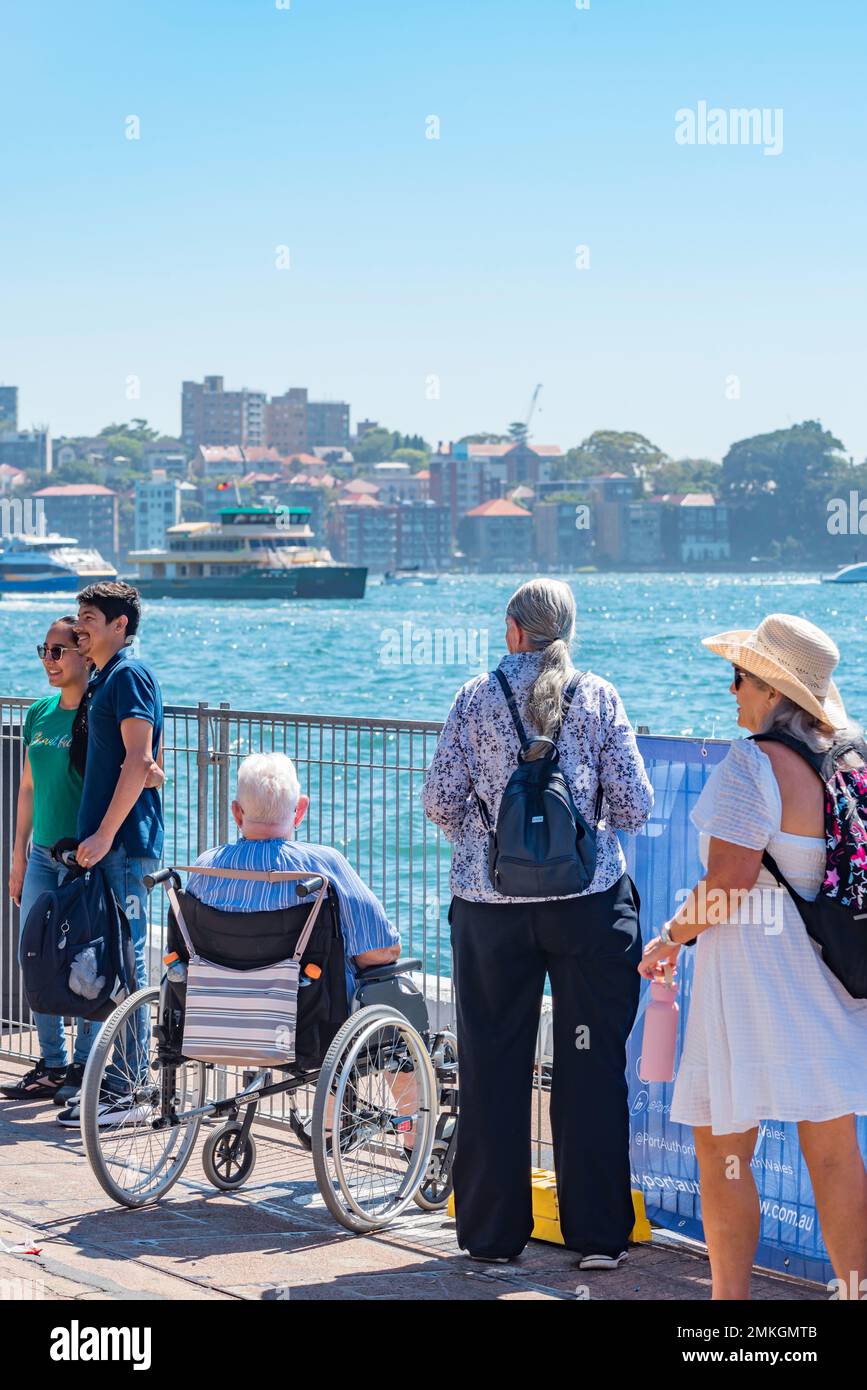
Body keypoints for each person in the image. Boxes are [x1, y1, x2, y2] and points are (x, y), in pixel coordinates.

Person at [422, 578, 653, 1267]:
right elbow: (635, 806)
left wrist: (486, 834)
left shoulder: (473, 696)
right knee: (588, 1063)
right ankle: (596, 1236)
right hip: (587, 908)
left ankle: (492, 1236)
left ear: (512, 630)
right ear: (565, 632)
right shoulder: (599, 696)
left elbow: (438, 798)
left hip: (489, 909)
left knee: (492, 1062)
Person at [640, 613, 867, 1300]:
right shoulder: (851, 759)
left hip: (749, 989)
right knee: (832, 1155)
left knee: (722, 1153)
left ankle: (729, 1308)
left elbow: (729, 884)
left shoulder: (750, 764)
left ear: (770, 688)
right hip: (830, 984)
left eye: (736, 678)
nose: (729, 691)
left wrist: (668, 938)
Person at [3, 614, 163, 1110]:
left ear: (81, 653)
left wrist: (144, 783)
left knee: (91, 960)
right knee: (36, 952)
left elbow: (144, 765)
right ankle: (51, 1062)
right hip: (42, 855)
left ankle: (85, 1066)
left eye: (58, 650)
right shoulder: (39, 714)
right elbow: (28, 787)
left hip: (86, 857)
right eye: (43, 651)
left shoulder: (97, 709)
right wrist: (18, 854)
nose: (49, 660)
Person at [56, 581, 164, 1129]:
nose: (80, 625)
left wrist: (102, 835)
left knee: (128, 962)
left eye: (90, 616)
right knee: (112, 960)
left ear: (120, 625)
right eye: (79, 614)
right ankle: (115, 1085)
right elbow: (150, 764)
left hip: (121, 846)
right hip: (108, 846)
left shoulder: (129, 674)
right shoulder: (104, 678)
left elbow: (138, 759)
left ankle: (128, 1089)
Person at [184, 751, 401, 1004]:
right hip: (307, 1021)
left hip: (219, 1012)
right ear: (300, 811)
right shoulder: (322, 867)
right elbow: (379, 950)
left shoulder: (205, 869)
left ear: (236, 813)